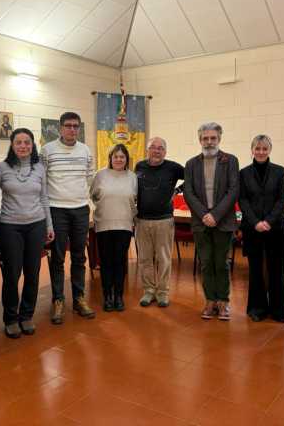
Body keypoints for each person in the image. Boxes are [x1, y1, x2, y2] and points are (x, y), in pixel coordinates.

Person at [0, 128, 54, 338]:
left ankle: (27, 315)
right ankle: (11, 318)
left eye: (27, 142)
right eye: (18, 142)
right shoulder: (1, 168)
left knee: (33, 272)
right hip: (10, 226)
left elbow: (44, 198)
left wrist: (49, 225)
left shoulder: (39, 168)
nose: (23, 146)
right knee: (11, 274)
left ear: (32, 145)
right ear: (12, 145)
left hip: (36, 225)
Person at [41, 112, 95, 324]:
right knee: (58, 257)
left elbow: (89, 179)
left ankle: (79, 298)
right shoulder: (47, 150)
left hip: (80, 209)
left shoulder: (85, 150)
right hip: (57, 210)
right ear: (60, 128)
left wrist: (86, 200)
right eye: (68, 126)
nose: (72, 129)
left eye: (75, 126)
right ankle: (58, 299)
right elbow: (42, 181)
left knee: (79, 256)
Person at [184, 123, 239, 320]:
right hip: (201, 223)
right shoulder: (191, 164)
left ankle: (223, 301)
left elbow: (233, 190)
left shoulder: (230, 161)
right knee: (206, 263)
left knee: (221, 263)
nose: (209, 142)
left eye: (213, 138)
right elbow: (188, 192)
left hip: (223, 222)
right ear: (200, 140)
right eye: (205, 138)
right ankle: (210, 300)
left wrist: (215, 215)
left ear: (219, 139)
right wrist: (204, 215)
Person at [239, 135, 284, 323]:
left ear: (270, 150)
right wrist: (255, 222)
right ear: (252, 150)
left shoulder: (279, 171)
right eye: (257, 148)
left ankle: (278, 310)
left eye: (264, 149)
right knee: (255, 270)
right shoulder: (243, 173)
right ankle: (257, 308)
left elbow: (282, 199)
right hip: (252, 229)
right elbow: (242, 199)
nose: (261, 152)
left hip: (275, 228)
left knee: (277, 269)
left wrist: (268, 221)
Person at [135, 137, 184, 307]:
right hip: (142, 221)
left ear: (165, 151)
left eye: (160, 148)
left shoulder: (173, 168)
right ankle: (148, 291)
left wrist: (178, 190)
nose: (156, 151)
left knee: (164, 259)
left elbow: (193, 178)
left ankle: (162, 292)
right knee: (145, 259)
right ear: (147, 150)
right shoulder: (139, 166)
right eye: (153, 147)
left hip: (164, 220)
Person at [90, 144, 137, 312]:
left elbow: (135, 199)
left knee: (119, 261)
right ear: (110, 158)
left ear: (126, 159)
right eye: (115, 156)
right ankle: (107, 296)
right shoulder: (100, 175)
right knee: (106, 262)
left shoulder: (132, 177)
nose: (118, 159)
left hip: (124, 224)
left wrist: (132, 215)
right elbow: (92, 196)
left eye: (122, 157)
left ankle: (118, 296)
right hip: (104, 224)